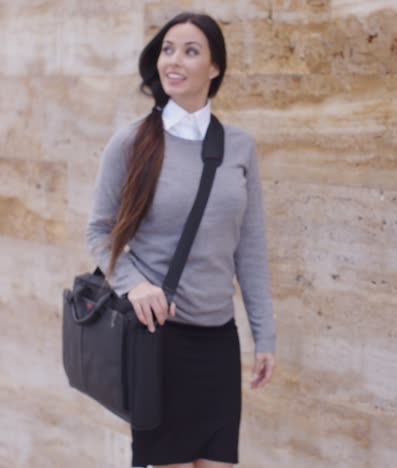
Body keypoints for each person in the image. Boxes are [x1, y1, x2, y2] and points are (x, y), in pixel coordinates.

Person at [85, 11, 276, 468]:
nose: (175, 60)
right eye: (168, 49)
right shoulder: (131, 142)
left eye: (191, 51)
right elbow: (98, 232)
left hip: (219, 343)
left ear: (214, 68)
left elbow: (249, 246)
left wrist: (264, 334)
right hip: (158, 341)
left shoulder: (239, 146)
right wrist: (135, 284)